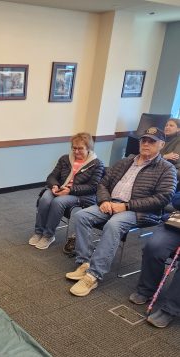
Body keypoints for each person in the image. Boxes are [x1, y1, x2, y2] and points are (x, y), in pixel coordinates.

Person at [65, 127, 177, 297]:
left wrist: (126, 206)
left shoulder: (166, 168)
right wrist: (104, 201)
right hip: (111, 204)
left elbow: (163, 198)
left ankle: (94, 275)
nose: (146, 144)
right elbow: (103, 183)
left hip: (140, 211)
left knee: (114, 224)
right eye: (144, 140)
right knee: (82, 216)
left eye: (151, 141)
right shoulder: (126, 161)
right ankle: (84, 262)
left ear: (161, 144)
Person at [29, 133, 104, 250]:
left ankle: (49, 235)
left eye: (80, 148)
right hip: (61, 188)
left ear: (88, 148)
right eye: (74, 148)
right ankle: (39, 232)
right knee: (44, 199)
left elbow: (93, 187)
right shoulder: (65, 159)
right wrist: (54, 185)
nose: (76, 151)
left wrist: (70, 190)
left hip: (81, 194)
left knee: (58, 202)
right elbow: (52, 176)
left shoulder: (97, 164)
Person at [128, 191, 180, 328]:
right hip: (176, 224)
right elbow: (176, 199)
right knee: (154, 247)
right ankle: (147, 289)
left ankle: (170, 308)